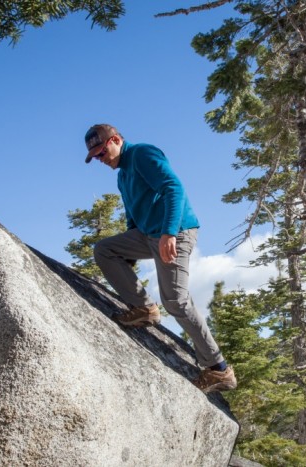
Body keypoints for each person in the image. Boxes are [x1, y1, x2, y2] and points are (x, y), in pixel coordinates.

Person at [84, 123, 237, 394]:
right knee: (105, 250)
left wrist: (169, 233)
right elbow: (133, 215)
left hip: (176, 231)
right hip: (147, 235)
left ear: (116, 140)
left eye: (101, 151)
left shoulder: (142, 153)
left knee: (175, 300)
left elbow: (173, 188)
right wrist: (128, 251)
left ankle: (219, 369)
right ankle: (144, 309)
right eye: (94, 156)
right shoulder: (122, 176)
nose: (99, 159)